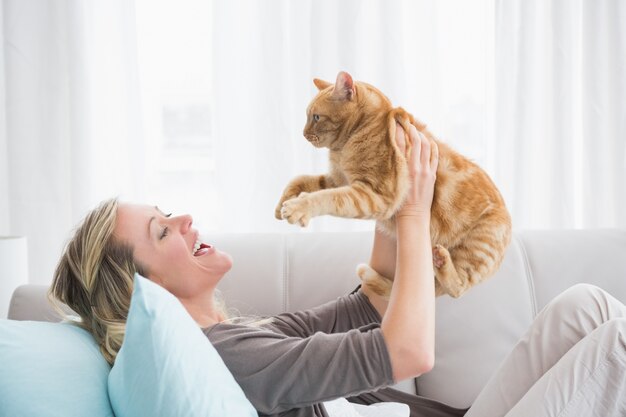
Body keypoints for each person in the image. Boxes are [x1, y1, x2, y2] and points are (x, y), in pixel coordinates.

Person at [49, 125, 626, 417]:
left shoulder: (238, 338)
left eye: (168, 212)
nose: (185, 220)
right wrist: (416, 214)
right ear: (142, 289)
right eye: (162, 231)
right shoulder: (225, 359)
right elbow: (408, 354)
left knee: (586, 307)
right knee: (616, 338)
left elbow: (365, 309)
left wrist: (385, 195)